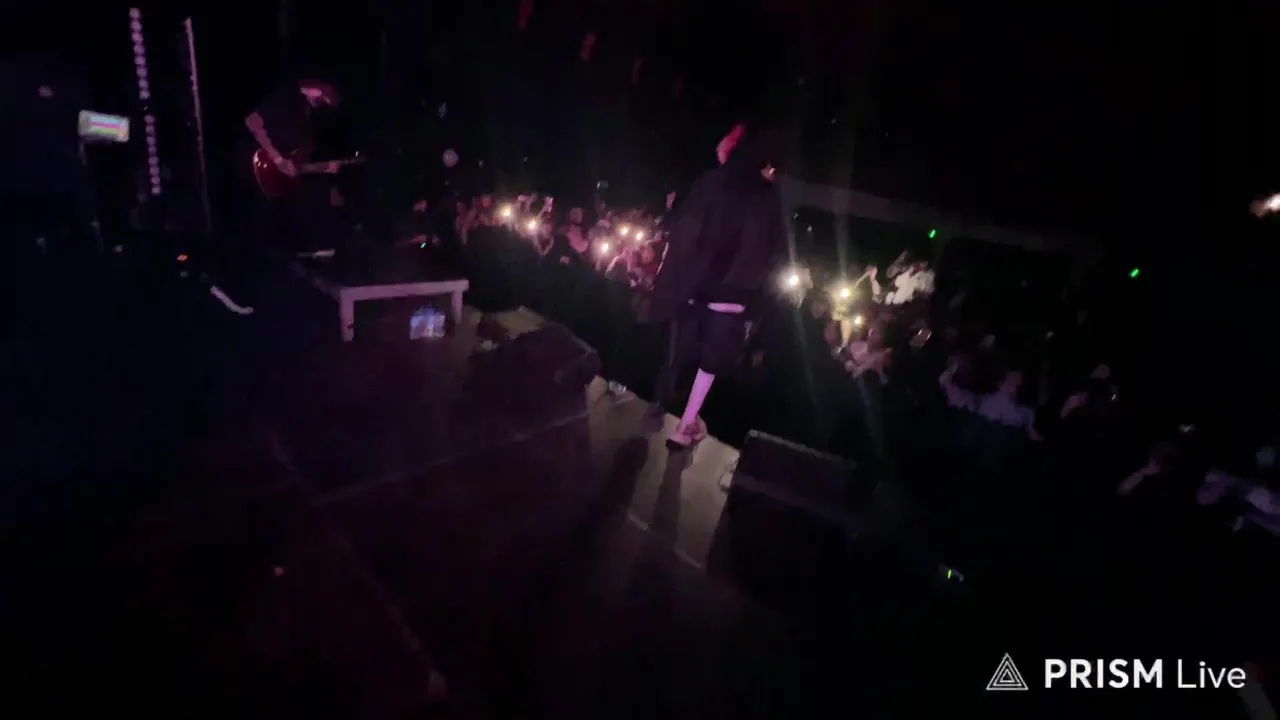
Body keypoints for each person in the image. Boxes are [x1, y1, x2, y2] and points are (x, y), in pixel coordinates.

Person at [649, 122, 789, 447]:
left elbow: (685, 230)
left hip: (698, 286)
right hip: (733, 292)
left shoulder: (711, 182)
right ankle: (685, 424)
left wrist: (675, 280)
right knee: (709, 363)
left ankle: (666, 409)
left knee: (684, 351)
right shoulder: (767, 193)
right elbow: (772, 249)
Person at [237, 77, 350, 254]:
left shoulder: (309, 116)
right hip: (257, 164)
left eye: (325, 102)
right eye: (322, 96)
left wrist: (323, 168)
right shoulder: (286, 98)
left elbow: (296, 167)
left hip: (278, 176)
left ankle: (310, 248)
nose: (321, 103)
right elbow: (252, 121)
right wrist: (277, 158)